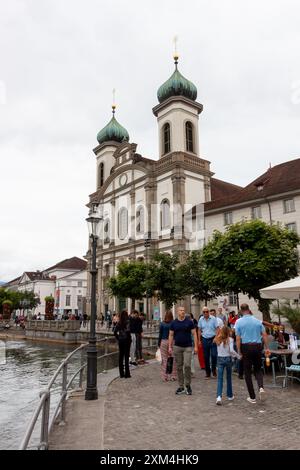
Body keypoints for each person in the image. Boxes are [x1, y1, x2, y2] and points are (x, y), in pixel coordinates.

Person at [235, 303, 270, 404]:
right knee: (258, 369)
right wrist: (267, 348)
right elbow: (264, 335)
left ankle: (252, 397)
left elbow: (237, 338)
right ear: (249, 309)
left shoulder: (238, 322)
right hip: (257, 346)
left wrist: (239, 351)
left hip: (246, 347)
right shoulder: (257, 321)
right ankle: (261, 387)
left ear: (241, 311)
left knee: (247, 372)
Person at [168, 306, 198, 395]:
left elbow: (194, 334)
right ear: (177, 312)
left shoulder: (189, 322)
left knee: (187, 365)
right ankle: (181, 386)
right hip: (177, 347)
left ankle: (188, 385)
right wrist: (170, 346)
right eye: (181, 310)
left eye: (184, 310)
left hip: (188, 347)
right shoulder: (174, 323)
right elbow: (171, 335)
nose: (183, 312)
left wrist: (196, 346)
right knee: (179, 367)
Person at [214, 326, 240, 405]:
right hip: (228, 359)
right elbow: (231, 350)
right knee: (228, 378)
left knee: (220, 379)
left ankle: (219, 396)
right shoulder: (230, 340)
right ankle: (229, 395)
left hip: (220, 359)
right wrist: (238, 356)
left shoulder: (217, 339)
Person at [198, 307, 220, 378]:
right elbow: (199, 330)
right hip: (204, 339)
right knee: (206, 356)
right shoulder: (201, 319)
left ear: (209, 312)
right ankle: (208, 373)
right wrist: (199, 340)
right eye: (204, 312)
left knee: (214, 355)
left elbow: (217, 328)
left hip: (213, 338)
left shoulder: (213, 318)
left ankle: (214, 370)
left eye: (207, 311)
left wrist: (216, 337)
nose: (205, 313)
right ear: (202, 312)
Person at [158, 310, 177, 381]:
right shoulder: (174, 323)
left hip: (163, 341)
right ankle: (173, 376)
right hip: (173, 341)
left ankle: (165, 376)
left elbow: (160, 334)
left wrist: (159, 344)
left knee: (164, 360)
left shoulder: (162, 324)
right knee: (173, 359)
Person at [114, 309, 132, 378]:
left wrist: (118, 338)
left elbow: (115, 332)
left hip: (121, 341)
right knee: (126, 357)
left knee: (120, 357)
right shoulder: (127, 322)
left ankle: (121, 373)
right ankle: (127, 374)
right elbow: (128, 331)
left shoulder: (119, 323)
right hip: (127, 341)